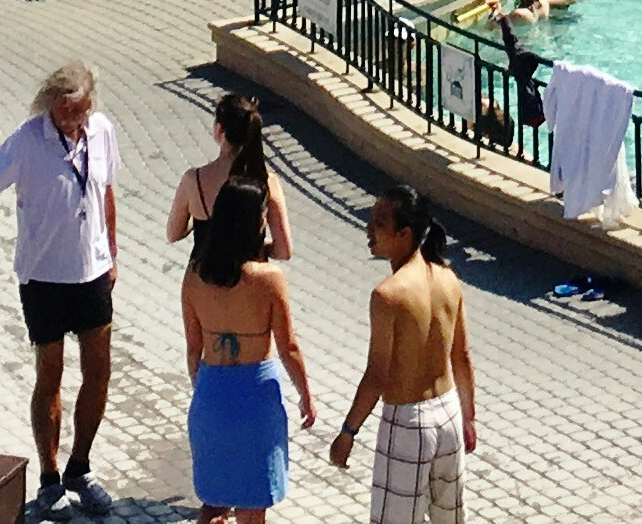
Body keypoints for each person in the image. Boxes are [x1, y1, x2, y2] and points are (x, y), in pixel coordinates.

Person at [0, 61, 125, 513]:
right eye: (65, 112)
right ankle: (50, 479)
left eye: (80, 112)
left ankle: (80, 467)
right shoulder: (27, 140)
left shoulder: (102, 130)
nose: (72, 121)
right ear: (50, 103)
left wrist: (112, 252)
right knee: (49, 376)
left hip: (91, 274)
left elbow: (106, 190)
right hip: (44, 278)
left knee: (98, 373)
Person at [329, 182, 477, 524]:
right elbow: (462, 357)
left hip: (408, 424)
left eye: (379, 222)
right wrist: (468, 418)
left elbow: (377, 376)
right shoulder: (448, 278)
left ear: (404, 233)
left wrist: (348, 432)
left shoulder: (387, 296)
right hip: (449, 414)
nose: (368, 228)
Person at [184, 153, 316, 524]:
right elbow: (288, 346)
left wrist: (206, 388)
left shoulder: (194, 276)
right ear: (253, 222)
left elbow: (193, 349)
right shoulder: (268, 280)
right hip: (256, 397)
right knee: (252, 505)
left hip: (211, 393)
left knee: (212, 502)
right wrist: (306, 394)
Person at [170, 91, 297, 261]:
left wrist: (196, 217)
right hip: (250, 281)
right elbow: (284, 251)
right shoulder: (267, 182)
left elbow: (173, 234)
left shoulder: (194, 180)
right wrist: (259, 250)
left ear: (219, 130)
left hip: (204, 281)